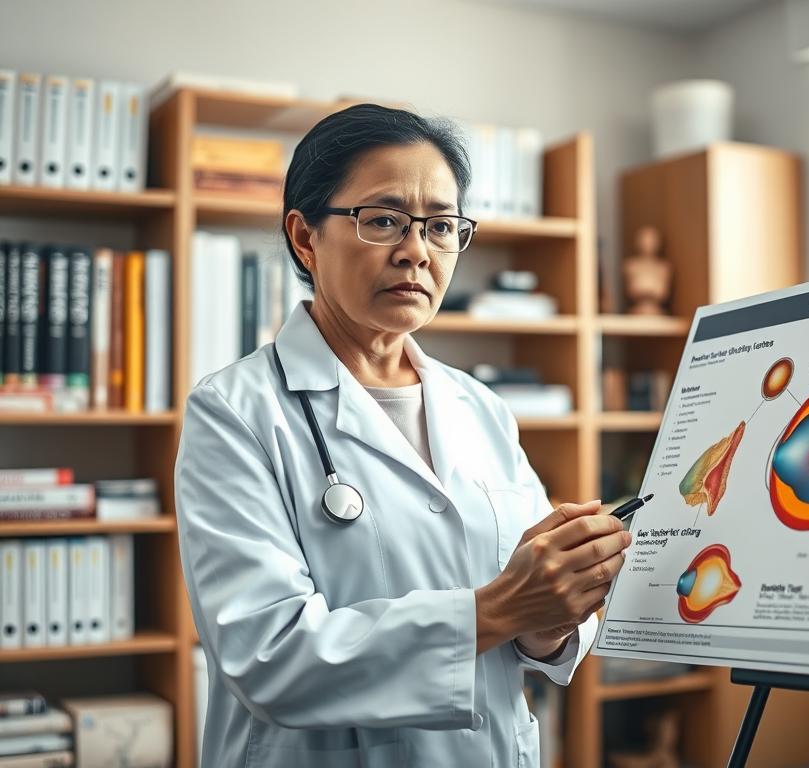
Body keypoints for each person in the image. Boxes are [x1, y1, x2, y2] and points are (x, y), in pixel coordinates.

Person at [175, 105, 632, 767]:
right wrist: (499, 608)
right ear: (305, 238)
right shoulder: (235, 411)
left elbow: (538, 625)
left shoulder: (481, 407)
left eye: (441, 226)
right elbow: (269, 657)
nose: (417, 249)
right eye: (384, 219)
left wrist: (552, 613)